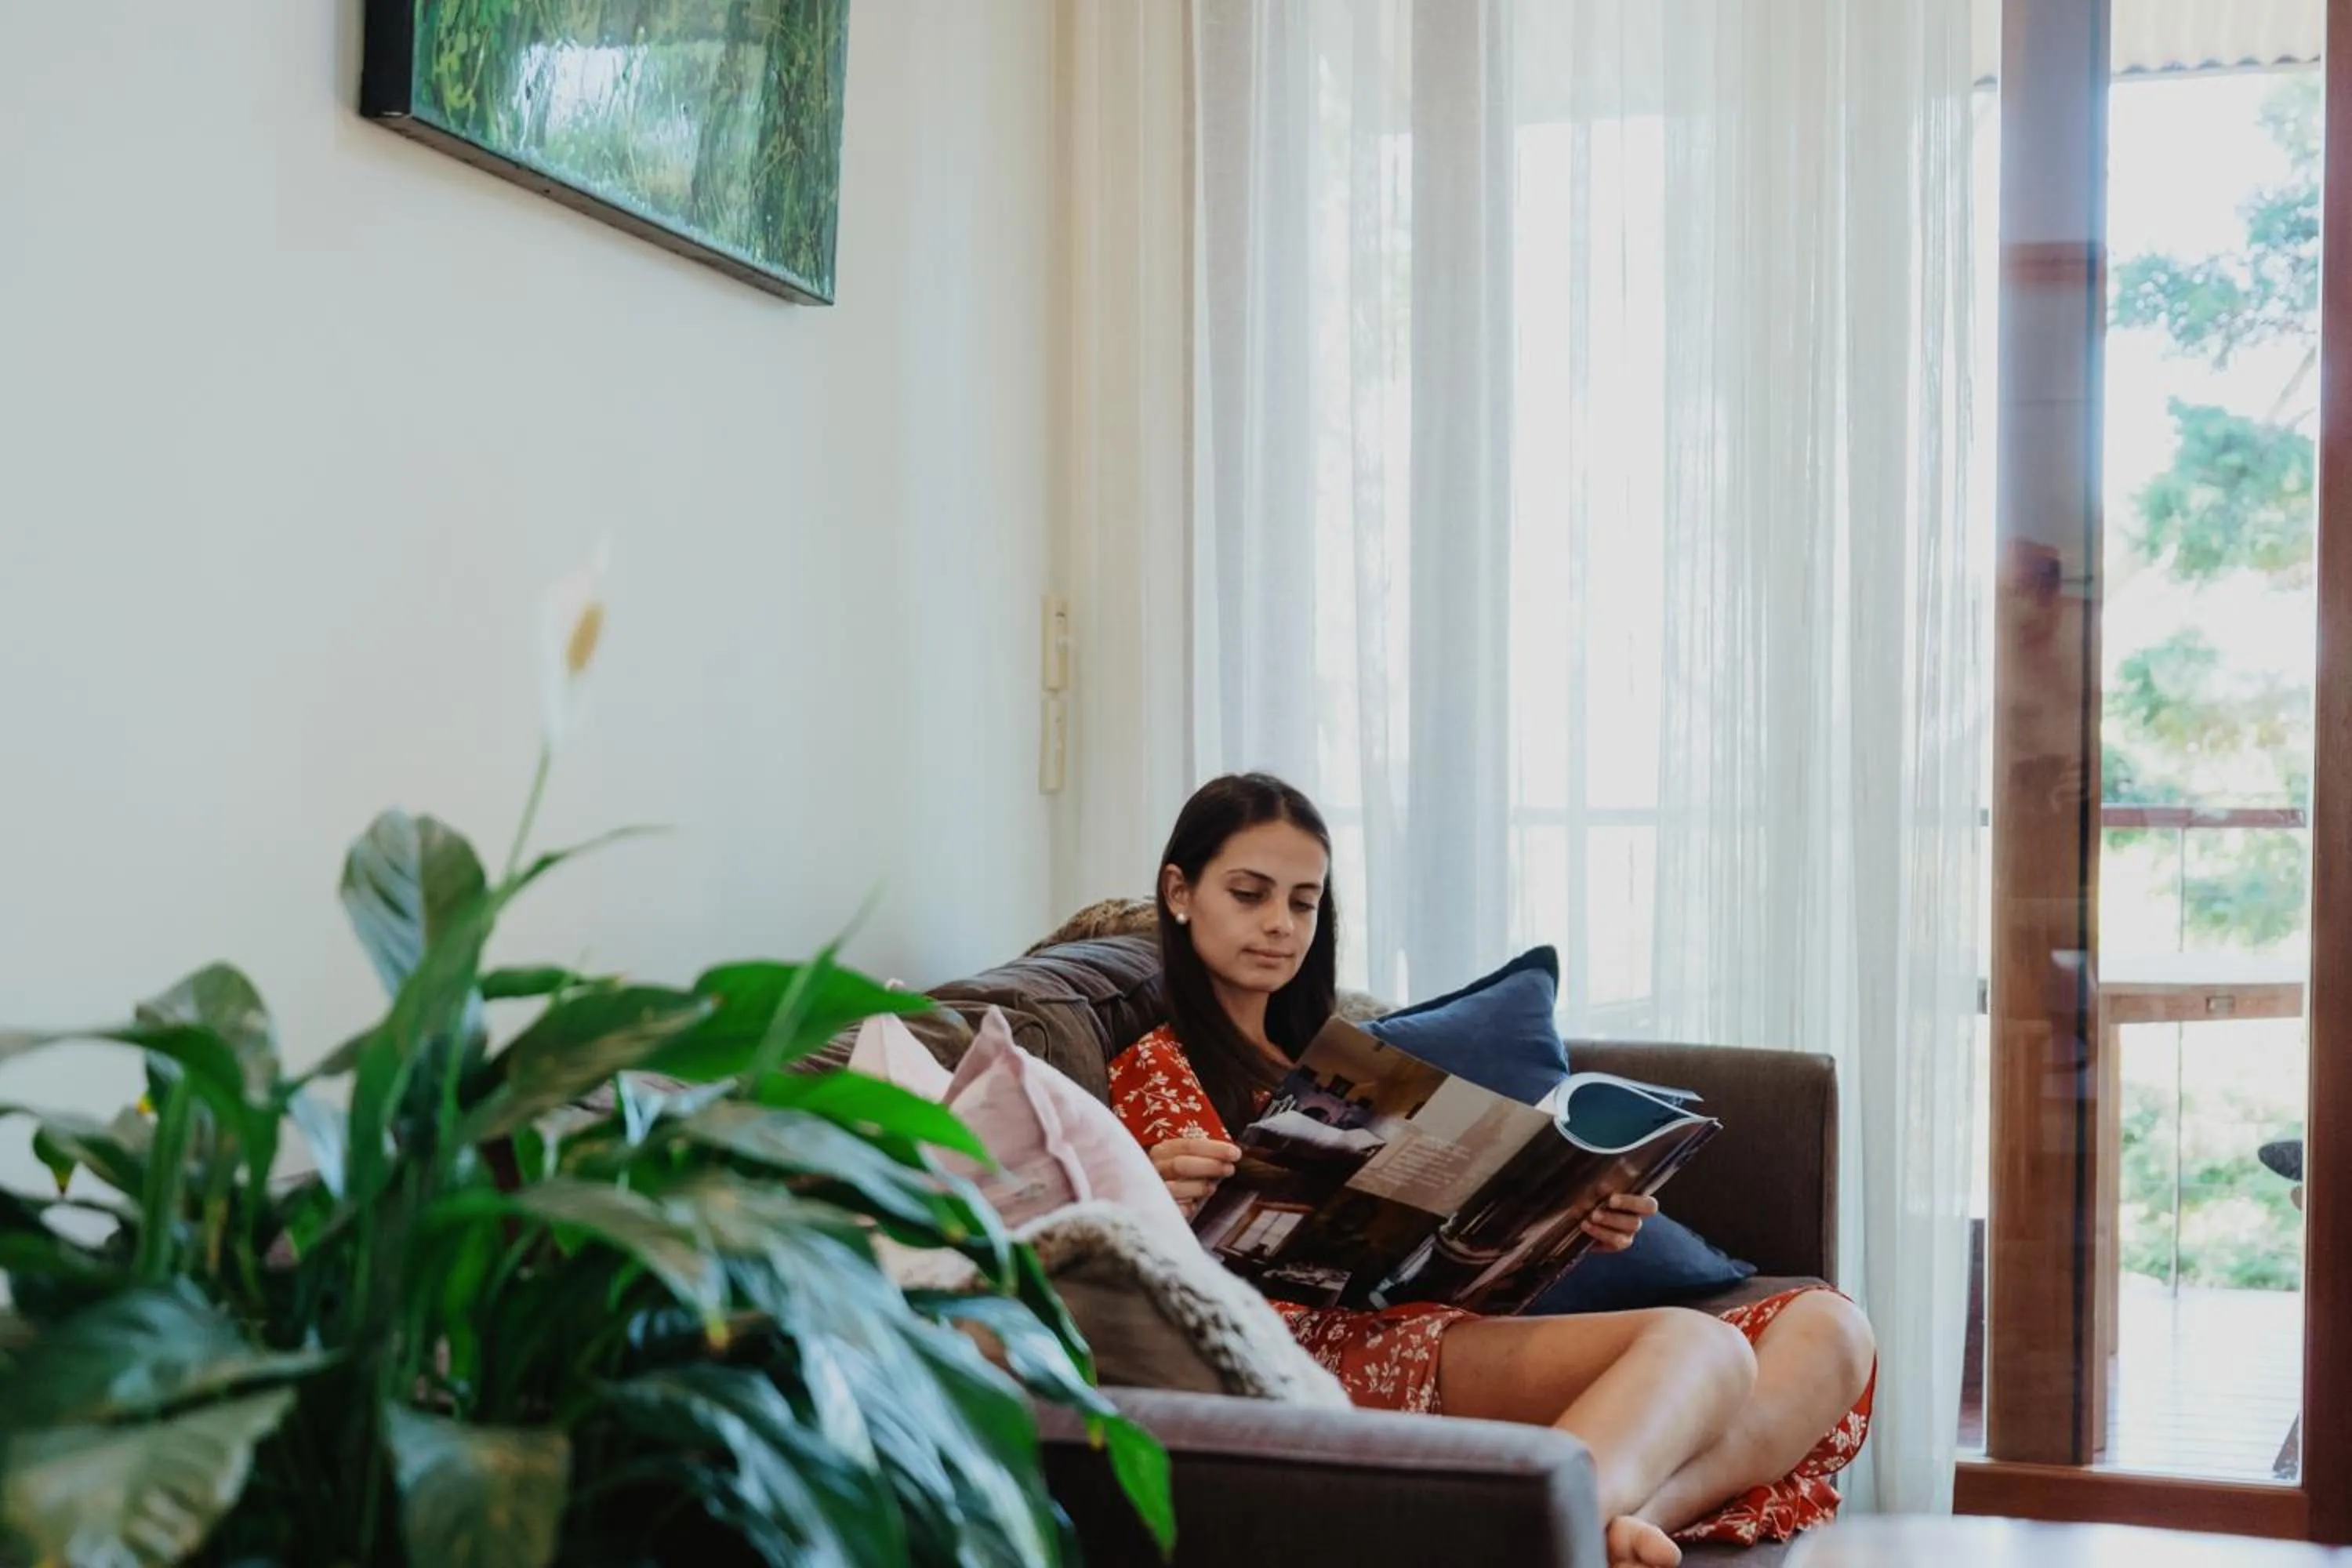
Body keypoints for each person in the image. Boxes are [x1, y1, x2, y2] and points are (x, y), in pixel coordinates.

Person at [1108, 774, 1878, 1568]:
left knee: (1832, 1327)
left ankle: (1623, 1516)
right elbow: (1116, 1271)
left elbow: (1453, 1243)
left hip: (1436, 1318)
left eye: (1303, 902)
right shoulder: (1155, 1069)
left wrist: (1574, 1219)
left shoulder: (1348, 1057)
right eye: (1249, 892)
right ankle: (1542, 1526)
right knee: (1702, 1348)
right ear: (1180, 891)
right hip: (1320, 1352)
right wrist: (1148, 1195)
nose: (1278, 923)